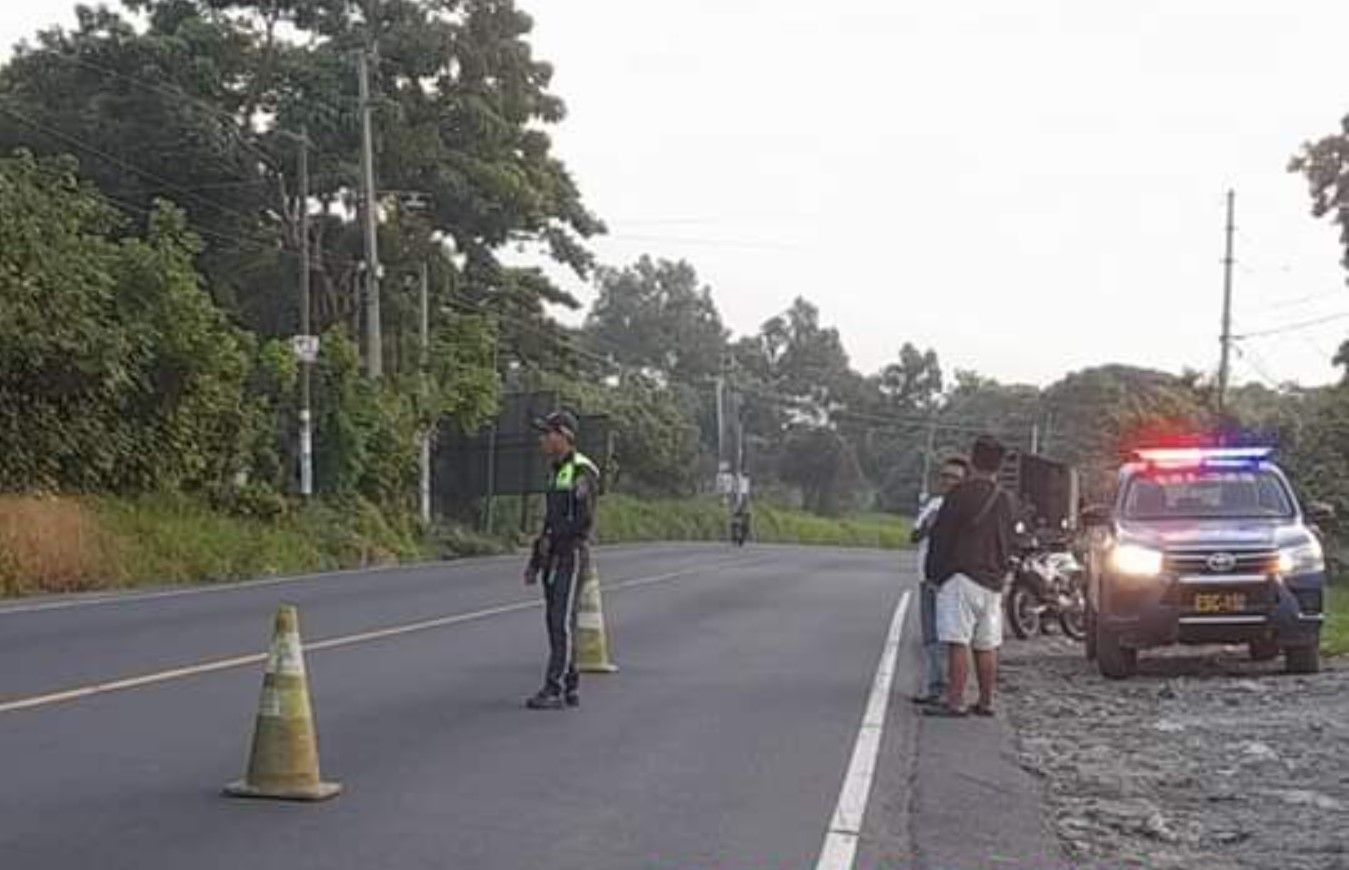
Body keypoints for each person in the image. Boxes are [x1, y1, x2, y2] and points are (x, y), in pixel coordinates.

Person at [923, 435, 1017, 718]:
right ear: (999, 466)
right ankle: (987, 702)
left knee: (958, 641)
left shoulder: (959, 495)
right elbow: (1012, 540)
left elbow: (941, 538)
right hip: (993, 581)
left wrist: (934, 575)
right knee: (986, 644)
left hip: (961, 576)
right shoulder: (1007, 500)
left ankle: (955, 701)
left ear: (973, 461)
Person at [523, 410, 601, 711]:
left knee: (560, 621)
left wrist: (556, 541)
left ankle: (554, 687)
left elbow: (583, 521)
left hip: (571, 554)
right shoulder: (555, 470)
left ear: (564, 436)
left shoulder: (582, 471)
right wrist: (535, 559)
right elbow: (550, 520)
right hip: (553, 554)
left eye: (548, 433)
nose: (543, 440)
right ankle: (570, 684)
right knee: (555, 620)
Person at [911, 456, 969, 705]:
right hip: (928, 576)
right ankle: (934, 686)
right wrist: (928, 525)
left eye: (955, 477)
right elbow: (914, 535)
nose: (948, 482)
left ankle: (951, 690)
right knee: (931, 635)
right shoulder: (934, 504)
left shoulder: (967, 508)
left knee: (952, 636)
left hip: (954, 580)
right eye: (945, 476)